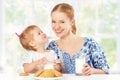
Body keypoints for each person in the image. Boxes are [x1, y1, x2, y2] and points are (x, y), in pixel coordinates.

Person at [46, 3, 110, 75]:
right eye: (53, 22)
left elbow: (105, 71)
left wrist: (92, 71)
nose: (56, 27)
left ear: (72, 22)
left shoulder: (90, 44)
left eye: (62, 22)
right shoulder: (52, 47)